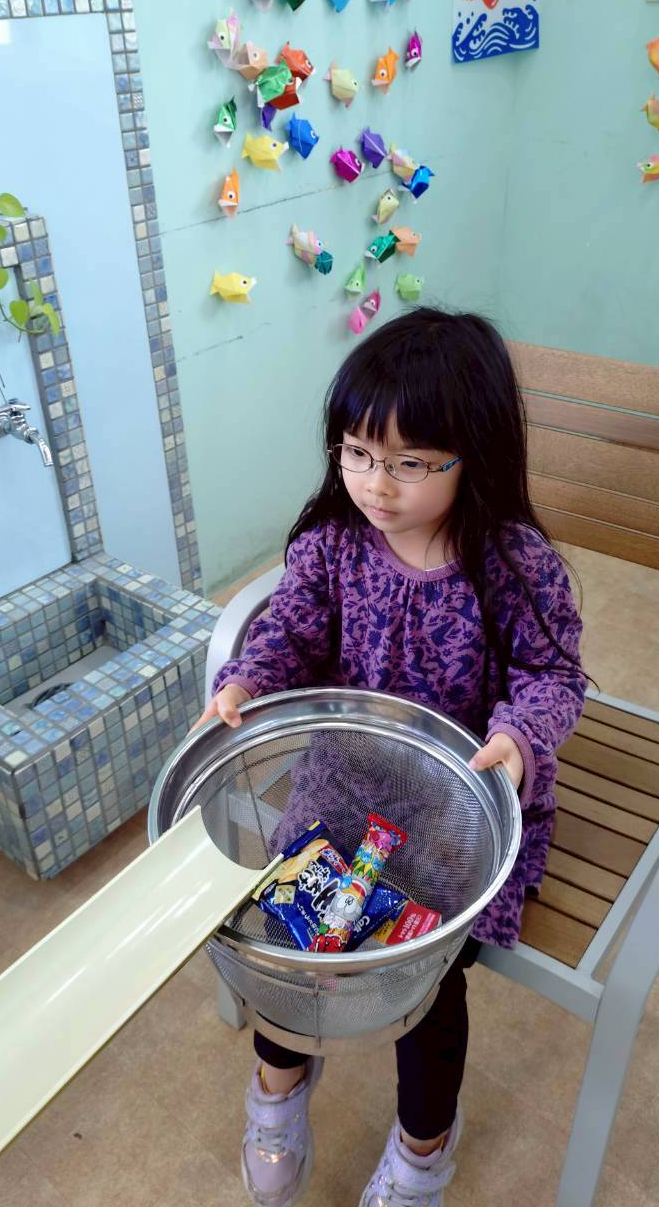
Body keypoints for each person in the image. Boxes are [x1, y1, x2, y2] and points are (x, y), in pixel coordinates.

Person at [196, 309, 587, 1207]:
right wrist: (248, 679)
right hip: (343, 790)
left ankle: (421, 1152)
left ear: (473, 453)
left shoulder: (513, 564)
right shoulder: (333, 543)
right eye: (357, 453)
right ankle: (276, 1089)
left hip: (458, 811)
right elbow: (292, 630)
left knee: (426, 987)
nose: (376, 482)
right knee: (290, 942)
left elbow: (553, 674)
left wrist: (521, 738)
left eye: (411, 463)